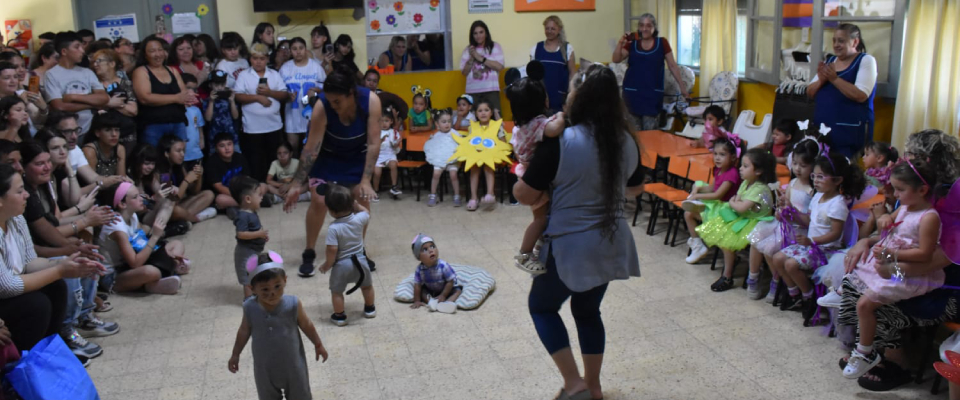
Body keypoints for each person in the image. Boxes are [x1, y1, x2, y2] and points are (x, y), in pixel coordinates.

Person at [513, 64, 643, 400]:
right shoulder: (626, 139)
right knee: (587, 311)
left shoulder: (561, 141)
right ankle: (594, 387)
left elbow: (525, 194)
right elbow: (636, 188)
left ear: (579, 97)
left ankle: (574, 384)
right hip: (612, 240)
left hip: (570, 245)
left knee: (541, 307)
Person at [841, 159, 942, 379]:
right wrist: (885, 217)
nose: (895, 194)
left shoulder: (929, 218)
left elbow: (925, 254)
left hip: (909, 273)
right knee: (856, 268)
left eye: (900, 189)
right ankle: (841, 292)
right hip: (890, 262)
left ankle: (865, 353)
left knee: (865, 305)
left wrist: (892, 255)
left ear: (922, 190)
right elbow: (891, 220)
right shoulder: (906, 206)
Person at [281, 71, 382, 278]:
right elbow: (311, 149)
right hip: (327, 157)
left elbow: (373, 143)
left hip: (357, 157)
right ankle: (309, 250)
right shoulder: (322, 106)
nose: (333, 105)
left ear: (351, 94)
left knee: (362, 199)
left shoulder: (371, 101)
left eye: (337, 101)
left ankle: (357, 251)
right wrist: (296, 183)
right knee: (319, 199)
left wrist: (366, 180)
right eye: (330, 101)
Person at [0, 163, 104, 362]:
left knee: (56, 286)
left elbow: (30, 262)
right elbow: (6, 286)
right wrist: (59, 270)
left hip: (11, 291)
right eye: (20, 191)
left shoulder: (16, 219)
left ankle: (53, 351)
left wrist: (69, 264)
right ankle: (24, 365)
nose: (27, 195)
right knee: (36, 304)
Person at [772, 151, 866, 323]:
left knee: (791, 264)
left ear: (837, 180)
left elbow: (836, 234)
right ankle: (795, 294)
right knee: (778, 258)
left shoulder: (837, 204)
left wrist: (813, 241)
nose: (815, 180)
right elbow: (808, 220)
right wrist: (790, 210)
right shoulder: (817, 197)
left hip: (826, 250)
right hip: (810, 246)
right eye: (814, 176)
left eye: (821, 177)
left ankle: (809, 296)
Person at [228, 252, 328, 400]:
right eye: (265, 290)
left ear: (285, 280)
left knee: (300, 395)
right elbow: (244, 330)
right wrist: (235, 354)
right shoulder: (250, 307)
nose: (272, 293)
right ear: (252, 288)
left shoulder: (293, 304)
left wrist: (318, 344)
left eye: (277, 286)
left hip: (293, 365)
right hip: (264, 367)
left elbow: (306, 324)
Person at [506, 76, 566, 274]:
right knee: (540, 220)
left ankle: (537, 249)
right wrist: (563, 115)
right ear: (543, 102)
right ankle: (524, 254)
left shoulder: (520, 126)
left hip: (525, 172)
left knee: (544, 216)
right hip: (533, 181)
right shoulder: (539, 124)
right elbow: (555, 129)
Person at [697, 148, 777, 292]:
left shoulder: (760, 188)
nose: (740, 169)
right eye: (741, 165)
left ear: (758, 171)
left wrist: (734, 203)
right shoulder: (746, 183)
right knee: (722, 236)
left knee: (728, 240)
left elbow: (740, 206)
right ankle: (728, 272)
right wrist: (735, 203)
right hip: (745, 218)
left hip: (759, 223)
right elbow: (738, 202)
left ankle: (729, 275)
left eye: (745, 166)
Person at [746, 139, 817, 301]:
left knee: (770, 247)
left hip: (798, 231)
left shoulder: (812, 191)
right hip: (783, 225)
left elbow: (808, 220)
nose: (798, 169)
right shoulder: (792, 183)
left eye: (803, 165)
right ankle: (753, 277)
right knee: (755, 238)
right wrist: (780, 209)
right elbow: (782, 211)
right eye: (796, 164)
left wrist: (791, 210)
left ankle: (777, 282)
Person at [95, 182, 183, 295]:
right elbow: (135, 263)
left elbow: (141, 242)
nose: (141, 198)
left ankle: (157, 280)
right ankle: (156, 280)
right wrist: (155, 236)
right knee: (151, 271)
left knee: (177, 244)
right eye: (135, 197)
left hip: (128, 265)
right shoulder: (117, 227)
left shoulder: (132, 215)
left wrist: (162, 251)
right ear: (122, 204)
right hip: (114, 275)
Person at [807, 24, 877, 158]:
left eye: (841, 41)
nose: (836, 45)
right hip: (822, 133)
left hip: (849, 134)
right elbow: (810, 92)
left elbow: (861, 95)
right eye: (834, 40)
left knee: (844, 172)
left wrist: (834, 79)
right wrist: (821, 81)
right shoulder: (830, 61)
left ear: (855, 41)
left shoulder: (866, 61)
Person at [612, 13, 689, 130]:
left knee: (650, 134)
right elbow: (616, 59)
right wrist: (620, 42)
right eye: (641, 25)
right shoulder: (632, 43)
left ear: (654, 27)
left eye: (648, 26)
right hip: (632, 95)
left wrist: (683, 89)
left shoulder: (662, 43)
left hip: (652, 96)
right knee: (634, 135)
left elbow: (673, 66)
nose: (644, 29)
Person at [316, 184, 376, 326]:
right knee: (367, 286)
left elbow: (332, 250)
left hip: (342, 265)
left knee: (336, 291)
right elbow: (367, 211)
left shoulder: (334, 228)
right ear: (351, 204)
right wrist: (356, 205)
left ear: (330, 211)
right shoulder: (360, 218)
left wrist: (327, 265)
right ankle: (369, 309)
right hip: (361, 261)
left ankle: (340, 316)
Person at [682, 132, 741, 264]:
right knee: (688, 213)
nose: (717, 158)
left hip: (726, 210)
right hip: (717, 205)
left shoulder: (732, 174)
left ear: (732, 157)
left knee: (690, 214)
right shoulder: (718, 170)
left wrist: (697, 195)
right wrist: (699, 189)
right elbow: (712, 187)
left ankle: (702, 245)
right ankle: (698, 245)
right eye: (715, 154)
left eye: (722, 155)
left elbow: (718, 195)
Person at [235, 43, 287, 182]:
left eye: (262, 58)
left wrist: (269, 92)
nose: (258, 62)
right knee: (256, 162)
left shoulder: (274, 75)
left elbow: (284, 95)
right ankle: (258, 190)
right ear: (250, 59)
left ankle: (275, 188)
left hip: (274, 125)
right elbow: (238, 96)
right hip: (252, 128)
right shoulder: (244, 75)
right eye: (255, 58)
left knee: (274, 160)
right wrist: (258, 98)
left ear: (267, 59)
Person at [132, 36, 194, 146]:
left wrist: (188, 96)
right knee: (154, 159)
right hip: (154, 124)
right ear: (145, 55)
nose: (158, 54)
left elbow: (183, 95)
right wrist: (175, 98)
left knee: (178, 158)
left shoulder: (173, 70)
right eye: (152, 51)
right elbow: (145, 98)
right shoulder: (141, 71)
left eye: (160, 50)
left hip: (177, 121)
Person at [43, 32, 108, 137]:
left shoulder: (87, 72)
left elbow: (104, 98)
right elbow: (59, 106)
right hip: (65, 132)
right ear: (64, 51)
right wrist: (92, 104)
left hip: (90, 129)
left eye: (82, 47)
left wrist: (73, 97)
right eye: (77, 47)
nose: (82, 51)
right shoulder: (52, 74)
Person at [46, 110, 128, 192]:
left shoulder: (75, 149)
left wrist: (115, 179)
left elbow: (93, 178)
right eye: (68, 132)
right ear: (54, 132)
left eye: (76, 130)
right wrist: (101, 184)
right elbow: (70, 198)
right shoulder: (44, 155)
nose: (74, 136)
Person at [280, 37, 325, 156]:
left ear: (305, 49)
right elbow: (279, 91)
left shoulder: (315, 67)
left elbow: (326, 89)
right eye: (294, 49)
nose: (298, 51)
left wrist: (315, 91)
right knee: (292, 149)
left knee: (310, 150)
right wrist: (287, 96)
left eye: (301, 48)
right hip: (292, 116)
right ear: (290, 51)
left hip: (311, 116)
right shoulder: (285, 68)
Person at [156, 135, 216, 224]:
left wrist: (198, 176)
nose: (182, 154)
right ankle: (195, 218)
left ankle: (185, 218)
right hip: (165, 209)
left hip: (180, 204)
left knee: (209, 194)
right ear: (166, 153)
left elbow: (194, 192)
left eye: (183, 151)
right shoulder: (162, 172)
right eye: (178, 151)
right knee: (176, 210)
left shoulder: (179, 166)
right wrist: (186, 181)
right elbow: (171, 200)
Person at [91, 48, 138, 149]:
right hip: (102, 135)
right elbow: (93, 106)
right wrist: (111, 102)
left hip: (126, 133)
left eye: (99, 61)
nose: (95, 65)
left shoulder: (125, 83)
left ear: (112, 64)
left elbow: (133, 110)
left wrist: (111, 104)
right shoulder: (93, 85)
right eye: (94, 62)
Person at [464, 100, 505, 212]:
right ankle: (473, 198)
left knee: (488, 165)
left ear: (491, 112)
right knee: (474, 167)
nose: (483, 113)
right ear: (476, 114)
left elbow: (503, 142)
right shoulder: (473, 127)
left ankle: (490, 194)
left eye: (486, 110)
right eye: (480, 111)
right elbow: (469, 143)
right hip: (477, 156)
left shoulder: (496, 126)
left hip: (493, 156)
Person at [231, 176, 267, 300]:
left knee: (254, 273)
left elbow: (253, 229)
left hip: (254, 250)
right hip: (245, 252)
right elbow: (241, 234)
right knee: (247, 278)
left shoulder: (252, 212)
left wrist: (261, 237)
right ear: (248, 199)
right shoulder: (242, 216)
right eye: (259, 195)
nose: (262, 197)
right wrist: (259, 234)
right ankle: (249, 302)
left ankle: (255, 296)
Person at [531, 16, 577, 113]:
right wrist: (541, 94)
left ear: (559, 29)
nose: (549, 31)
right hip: (541, 98)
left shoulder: (567, 48)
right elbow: (532, 76)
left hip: (560, 98)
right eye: (547, 28)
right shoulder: (536, 48)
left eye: (553, 28)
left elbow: (572, 73)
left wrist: (571, 95)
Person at [460, 21, 505, 119]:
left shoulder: (495, 47)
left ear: (486, 33)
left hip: (491, 90)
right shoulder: (468, 50)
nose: (478, 36)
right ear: (472, 35)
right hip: (472, 92)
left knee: (495, 120)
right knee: (473, 121)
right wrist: (471, 58)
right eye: (475, 33)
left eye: (481, 32)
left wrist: (480, 58)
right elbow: (464, 72)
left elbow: (500, 67)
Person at [205, 132, 258, 214]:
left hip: (242, 192)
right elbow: (218, 186)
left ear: (233, 145)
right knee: (220, 199)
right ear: (216, 148)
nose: (227, 148)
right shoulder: (212, 162)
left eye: (229, 144)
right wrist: (240, 196)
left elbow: (247, 179)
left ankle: (237, 207)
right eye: (222, 146)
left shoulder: (240, 157)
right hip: (227, 194)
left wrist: (246, 192)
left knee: (262, 186)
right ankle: (252, 203)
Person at [409, 233, 461, 313]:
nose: (431, 250)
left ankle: (448, 303)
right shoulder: (420, 270)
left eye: (432, 246)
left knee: (457, 291)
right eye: (425, 249)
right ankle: (431, 303)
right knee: (422, 291)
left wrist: (443, 295)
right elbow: (417, 286)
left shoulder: (443, 266)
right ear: (419, 257)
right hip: (432, 290)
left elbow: (450, 281)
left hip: (447, 288)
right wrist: (417, 300)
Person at [424, 109, 461, 207]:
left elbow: (461, 145)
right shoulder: (436, 135)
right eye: (444, 122)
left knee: (453, 175)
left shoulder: (455, 134)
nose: (447, 124)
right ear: (437, 124)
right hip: (439, 160)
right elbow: (433, 147)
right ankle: (433, 195)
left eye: (449, 121)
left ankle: (457, 196)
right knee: (436, 174)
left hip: (452, 161)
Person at [0, 62, 47, 135]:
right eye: (7, 78)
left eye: (15, 77)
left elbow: (38, 122)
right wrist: (22, 103)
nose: (13, 81)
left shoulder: (24, 93)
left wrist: (43, 110)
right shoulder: (21, 97)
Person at [202, 70, 240, 153]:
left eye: (222, 85)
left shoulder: (229, 98)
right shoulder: (207, 101)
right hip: (214, 138)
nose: (219, 88)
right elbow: (208, 118)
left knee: (236, 158)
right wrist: (211, 101)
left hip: (231, 136)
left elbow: (235, 116)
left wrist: (232, 101)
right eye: (216, 85)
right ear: (210, 85)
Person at [81, 111, 126, 177]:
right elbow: (91, 181)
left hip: (113, 185)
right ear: (97, 133)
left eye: (117, 130)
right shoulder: (90, 151)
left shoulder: (120, 149)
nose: (114, 134)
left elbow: (122, 178)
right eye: (108, 130)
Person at [372, 109, 400, 200]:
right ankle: (375, 191)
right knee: (377, 173)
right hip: (378, 157)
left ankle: (394, 187)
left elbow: (396, 146)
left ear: (391, 121)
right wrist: (380, 141)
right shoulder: (376, 132)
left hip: (390, 155)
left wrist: (396, 143)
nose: (384, 123)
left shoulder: (394, 132)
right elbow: (373, 146)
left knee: (393, 164)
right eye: (381, 121)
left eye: (386, 121)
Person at [179, 74, 205, 170]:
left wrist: (202, 141)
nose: (191, 92)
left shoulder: (196, 110)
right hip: (181, 154)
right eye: (188, 88)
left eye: (194, 89)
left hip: (196, 152)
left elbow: (199, 127)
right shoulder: (176, 110)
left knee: (197, 175)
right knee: (183, 178)